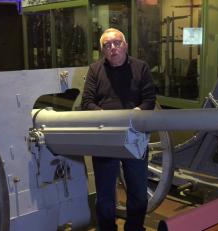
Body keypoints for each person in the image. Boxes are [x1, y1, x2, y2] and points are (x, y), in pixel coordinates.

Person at [81, 28, 156, 231]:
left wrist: (135, 114)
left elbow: (149, 100)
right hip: (105, 138)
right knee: (105, 197)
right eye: (107, 45)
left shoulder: (141, 68)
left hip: (135, 137)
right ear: (103, 50)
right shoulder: (95, 70)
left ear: (125, 45)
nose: (112, 48)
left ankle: (134, 228)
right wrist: (108, 118)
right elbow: (86, 102)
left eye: (116, 43)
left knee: (139, 195)